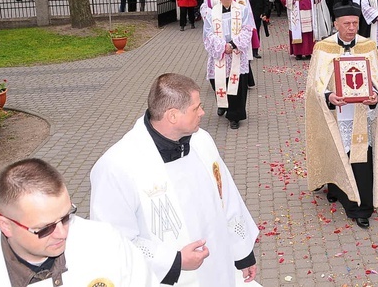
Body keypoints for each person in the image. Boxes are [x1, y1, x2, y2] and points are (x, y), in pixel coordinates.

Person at [90, 74, 260, 286]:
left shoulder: (202, 141)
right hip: (168, 278)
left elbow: (226, 195)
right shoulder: (116, 167)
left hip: (218, 268)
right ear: (172, 116)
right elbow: (113, 241)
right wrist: (174, 261)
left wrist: (242, 253)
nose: (203, 112)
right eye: (196, 108)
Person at [0, 158, 155, 286]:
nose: (62, 233)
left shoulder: (107, 242)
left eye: (65, 217)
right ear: (5, 225)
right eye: (44, 229)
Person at [305, 0, 378, 229]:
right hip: (336, 112)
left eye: (355, 23)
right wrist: (329, 95)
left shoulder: (368, 46)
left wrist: (375, 97)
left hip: (360, 112)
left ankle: (360, 207)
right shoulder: (323, 48)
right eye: (347, 24)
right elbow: (315, 84)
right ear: (336, 24)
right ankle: (335, 187)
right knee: (336, 151)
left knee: (360, 157)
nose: (352, 28)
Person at [203, 0, 254, 128]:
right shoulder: (212, 13)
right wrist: (222, 46)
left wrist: (232, 44)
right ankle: (223, 105)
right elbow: (208, 33)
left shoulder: (242, 11)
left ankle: (235, 116)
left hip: (236, 53)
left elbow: (247, 29)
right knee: (219, 83)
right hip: (220, 53)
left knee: (237, 85)